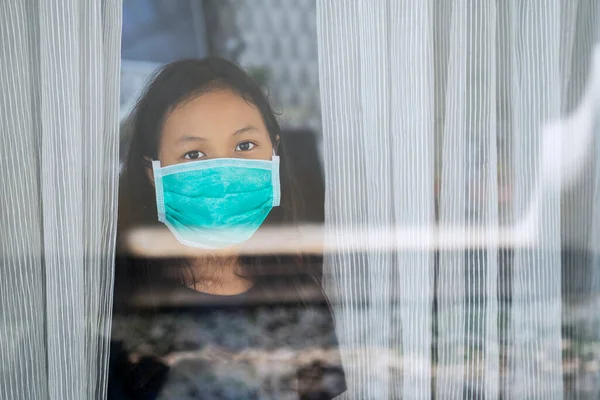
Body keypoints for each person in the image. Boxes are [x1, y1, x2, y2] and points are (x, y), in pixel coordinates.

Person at [108, 57, 346, 399]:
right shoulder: (122, 306)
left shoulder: (296, 291)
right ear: (153, 173)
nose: (223, 172)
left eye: (244, 146)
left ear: (273, 151)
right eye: (194, 154)